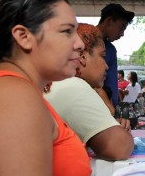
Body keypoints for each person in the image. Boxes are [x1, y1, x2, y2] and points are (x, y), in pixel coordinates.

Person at [0, 0, 91, 176]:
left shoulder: (20, 91)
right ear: (23, 36)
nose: (80, 44)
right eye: (66, 32)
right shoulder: (13, 97)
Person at [45, 23, 134, 160]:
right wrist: (124, 134)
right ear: (83, 57)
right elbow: (119, 147)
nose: (106, 66)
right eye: (102, 56)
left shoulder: (56, 83)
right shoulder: (73, 86)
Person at [96, 3, 135, 107]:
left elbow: (111, 83)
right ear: (109, 21)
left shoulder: (111, 50)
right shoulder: (81, 42)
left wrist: (114, 108)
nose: (122, 34)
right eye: (122, 27)